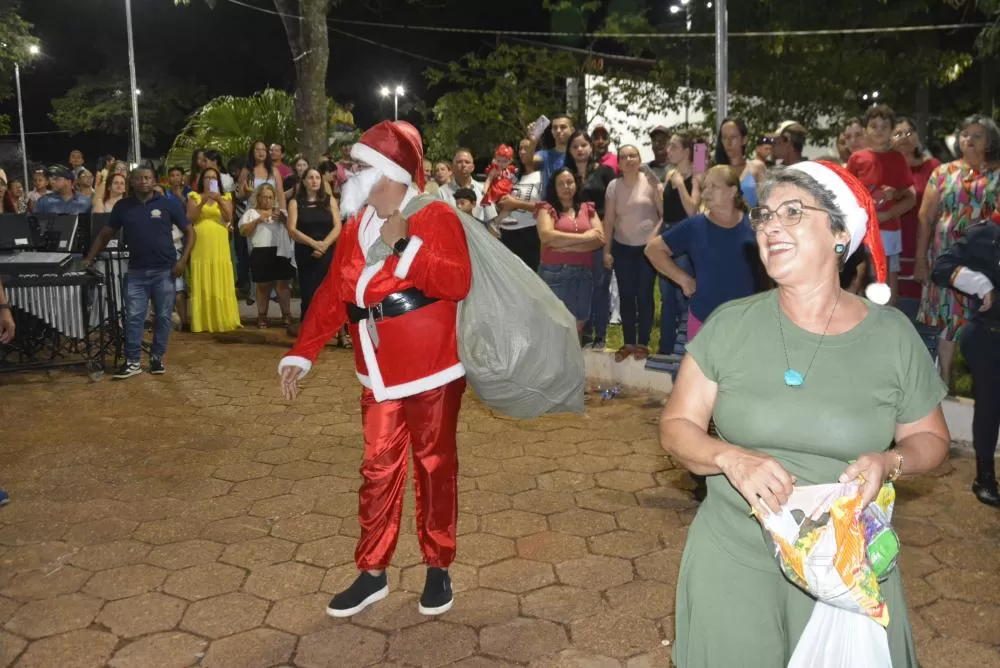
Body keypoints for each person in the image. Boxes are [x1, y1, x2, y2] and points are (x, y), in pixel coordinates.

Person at [661, 160, 949, 667]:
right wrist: (730, 458)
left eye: (793, 213)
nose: (770, 227)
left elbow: (931, 437)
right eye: (765, 216)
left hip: (843, 564)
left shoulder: (891, 337)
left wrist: (889, 462)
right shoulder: (731, 326)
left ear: (840, 234)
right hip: (735, 557)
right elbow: (676, 427)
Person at [278, 120, 473, 619]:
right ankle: (372, 572)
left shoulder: (434, 215)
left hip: (432, 370)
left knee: (435, 468)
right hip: (377, 372)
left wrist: (406, 246)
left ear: (389, 172)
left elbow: (457, 280)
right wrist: (302, 353)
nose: (350, 173)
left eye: (360, 165)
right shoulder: (356, 226)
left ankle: (438, 566)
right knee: (377, 469)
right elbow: (332, 295)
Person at [84, 167, 195, 378]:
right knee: (134, 317)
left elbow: (190, 232)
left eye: (147, 178)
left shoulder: (168, 204)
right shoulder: (123, 206)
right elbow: (105, 234)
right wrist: (90, 257)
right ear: (132, 183)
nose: (143, 181)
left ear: (154, 181)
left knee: (163, 317)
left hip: (165, 271)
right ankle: (133, 361)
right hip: (136, 271)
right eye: (138, 178)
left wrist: (183, 261)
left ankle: (156, 358)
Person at [915, 115, 1000, 388]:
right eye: (965, 134)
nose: (969, 140)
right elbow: (925, 217)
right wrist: (920, 260)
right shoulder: (942, 172)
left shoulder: (997, 174)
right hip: (944, 258)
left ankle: (979, 385)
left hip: (982, 260)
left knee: (980, 320)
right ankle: (945, 382)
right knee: (945, 320)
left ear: (990, 142)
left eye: (977, 135)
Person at [932, 211, 1000, 507]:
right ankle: (985, 478)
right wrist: (979, 283)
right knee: (990, 408)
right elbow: (942, 267)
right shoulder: (984, 234)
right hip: (989, 335)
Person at [847, 104, 916, 305]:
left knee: (887, 275)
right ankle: (858, 315)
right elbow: (846, 190)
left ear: (892, 130)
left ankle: (889, 314)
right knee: (860, 272)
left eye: (884, 126)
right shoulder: (857, 158)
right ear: (865, 129)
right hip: (861, 229)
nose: (879, 131)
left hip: (889, 229)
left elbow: (908, 196)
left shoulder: (898, 158)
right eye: (874, 126)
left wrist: (888, 211)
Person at [603, 145, 664, 362]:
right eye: (623, 157)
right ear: (618, 163)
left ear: (639, 159)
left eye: (633, 156)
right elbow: (609, 221)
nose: (628, 160)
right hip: (622, 248)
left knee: (645, 294)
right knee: (627, 296)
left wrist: (654, 239)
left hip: (647, 250)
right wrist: (607, 250)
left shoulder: (650, 182)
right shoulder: (613, 186)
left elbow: (663, 213)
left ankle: (643, 344)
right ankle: (628, 342)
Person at [536, 167, 605, 337]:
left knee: (578, 326)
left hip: (584, 274)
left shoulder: (587, 208)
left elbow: (600, 239)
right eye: (561, 184)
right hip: (556, 273)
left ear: (576, 184)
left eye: (569, 182)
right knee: (557, 327)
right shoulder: (547, 209)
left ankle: (574, 356)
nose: (566, 187)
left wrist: (565, 245)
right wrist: (585, 237)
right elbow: (547, 236)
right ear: (554, 187)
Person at [187, 168, 241, 333]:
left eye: (213, 177)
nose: (210, 180)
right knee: (202, 276)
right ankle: (202, 321)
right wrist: (203, 201)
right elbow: (190, 218)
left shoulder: (226, 197)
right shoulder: (194, 197)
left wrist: (218, 199)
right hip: (200, 243)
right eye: (207, 177)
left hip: (219, 242)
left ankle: (223, 318)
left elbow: (229, 217)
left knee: (220, 273)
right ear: (202, 180)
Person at [287, 167, 343, 325]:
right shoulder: (295, 203)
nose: (314, 181)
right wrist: (314, 244)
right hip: (305, 252)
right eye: (310, 178)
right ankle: (309, 329)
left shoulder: (329, 201)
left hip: (328, 251)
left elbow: (338, 226)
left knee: (328, 291)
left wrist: (324, 245)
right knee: (309, 292)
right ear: (304, 182)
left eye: (317, 177)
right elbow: (292, 229)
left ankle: (330, 328)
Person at [239, 183, 295, 328]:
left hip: (281, 250)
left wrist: (283, 219)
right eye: (264, 197)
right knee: (262, 285)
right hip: (260, 250)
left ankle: (286, 314)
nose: (267, 200)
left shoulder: (281, 212)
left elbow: (293, 230)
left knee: (283, 284)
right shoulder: (251, 213)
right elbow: (243, 231)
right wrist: (257, 220)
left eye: (270, 197)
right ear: (258, 197)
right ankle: (262, 315)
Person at [496, 138, 543, 271]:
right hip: (504, 234)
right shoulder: (513, 175)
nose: (522, 152)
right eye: (520, 148)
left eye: (527, 148)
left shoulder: (542, 176)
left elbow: (546, 207)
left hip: (528, 235)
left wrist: (516, 204)